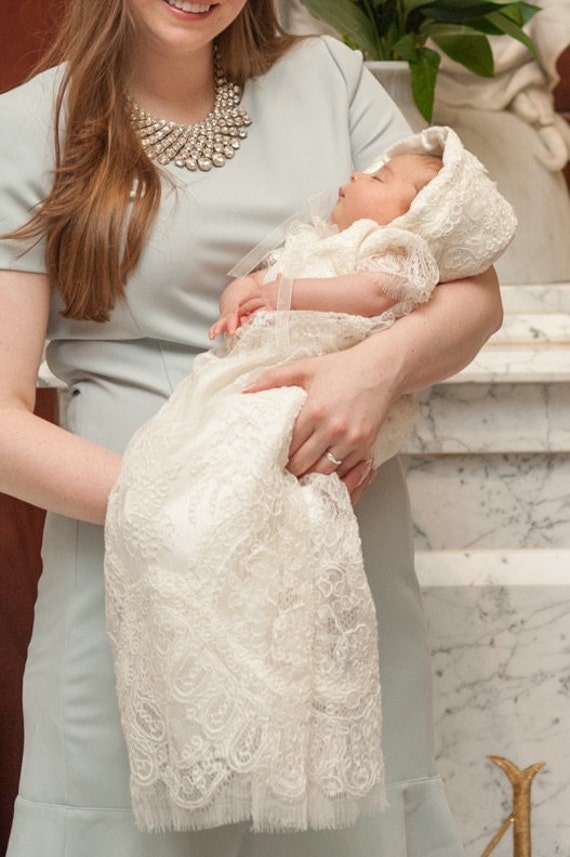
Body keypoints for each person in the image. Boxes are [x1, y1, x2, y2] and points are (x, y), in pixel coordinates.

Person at [0, 0, 504, 851]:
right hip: (140, 560)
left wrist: (373, 368)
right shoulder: (29, 127)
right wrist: (207, 501)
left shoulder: (331, 79)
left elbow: (474, 293)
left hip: (340, 567)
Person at [104, 126, 516, 836]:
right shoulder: (325, 238)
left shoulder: (392, 252)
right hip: (256, 365)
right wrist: (249, 288)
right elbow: (274, 283)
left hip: (315, 381)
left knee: (255, 472)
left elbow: (383, 293)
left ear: (415, 212)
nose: (360, 172)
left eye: (382, 176)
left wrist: (285, 292)